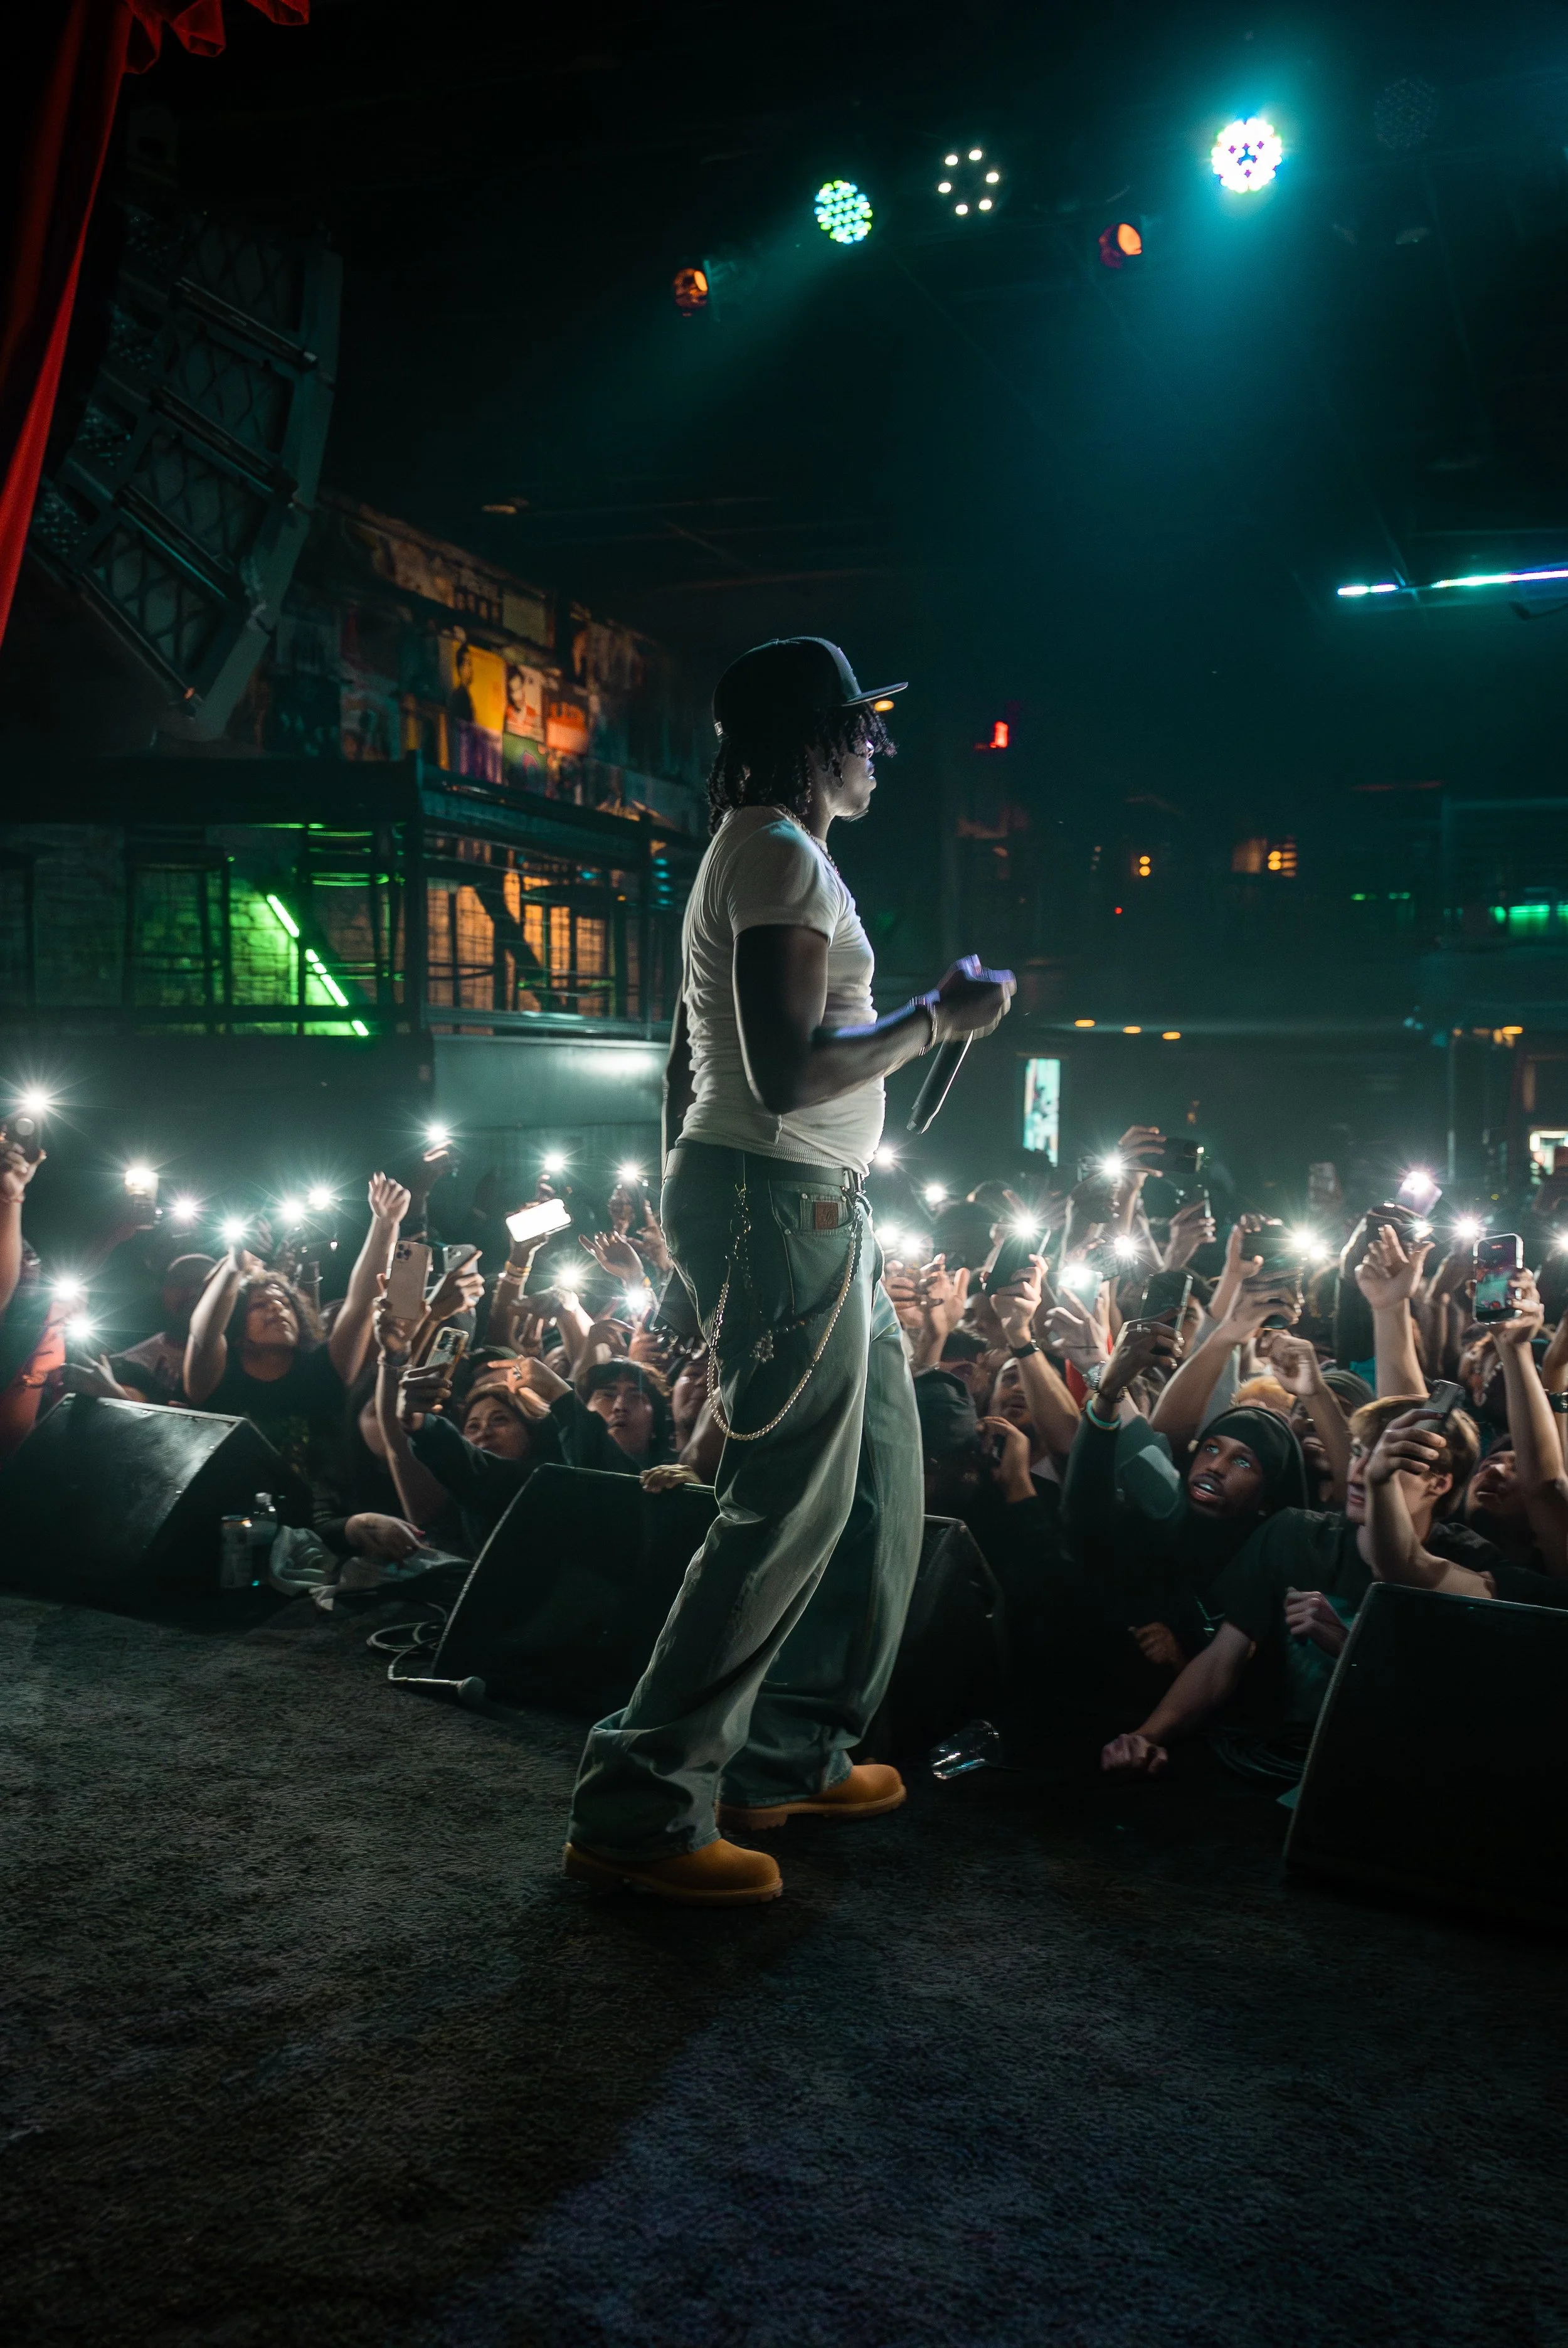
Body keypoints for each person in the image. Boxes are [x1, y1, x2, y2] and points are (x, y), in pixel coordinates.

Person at [564, 634, 1015, 1905]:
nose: (879, 747)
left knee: (880, 1475)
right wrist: (936, 1020)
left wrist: (678, 1219)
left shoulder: (770, 853)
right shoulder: (773, 851)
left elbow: (686, 1065)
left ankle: (789, 1750)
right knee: (782, 1504)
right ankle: (640, 1800)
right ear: (816, 735)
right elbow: (784, 1073)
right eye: (865, 727)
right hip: (781, 1199)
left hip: (798, 1202)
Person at [184, 1174, 410, 1501]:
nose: (276, 1308)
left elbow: (361, 1303)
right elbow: (204, 1332)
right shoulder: (216, 1378)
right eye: (259, 1305)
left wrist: (385, 1223)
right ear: (235, 1328)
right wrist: (234, 1265)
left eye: (284, 1302)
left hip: (328, 1523)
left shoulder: (323, 1368)